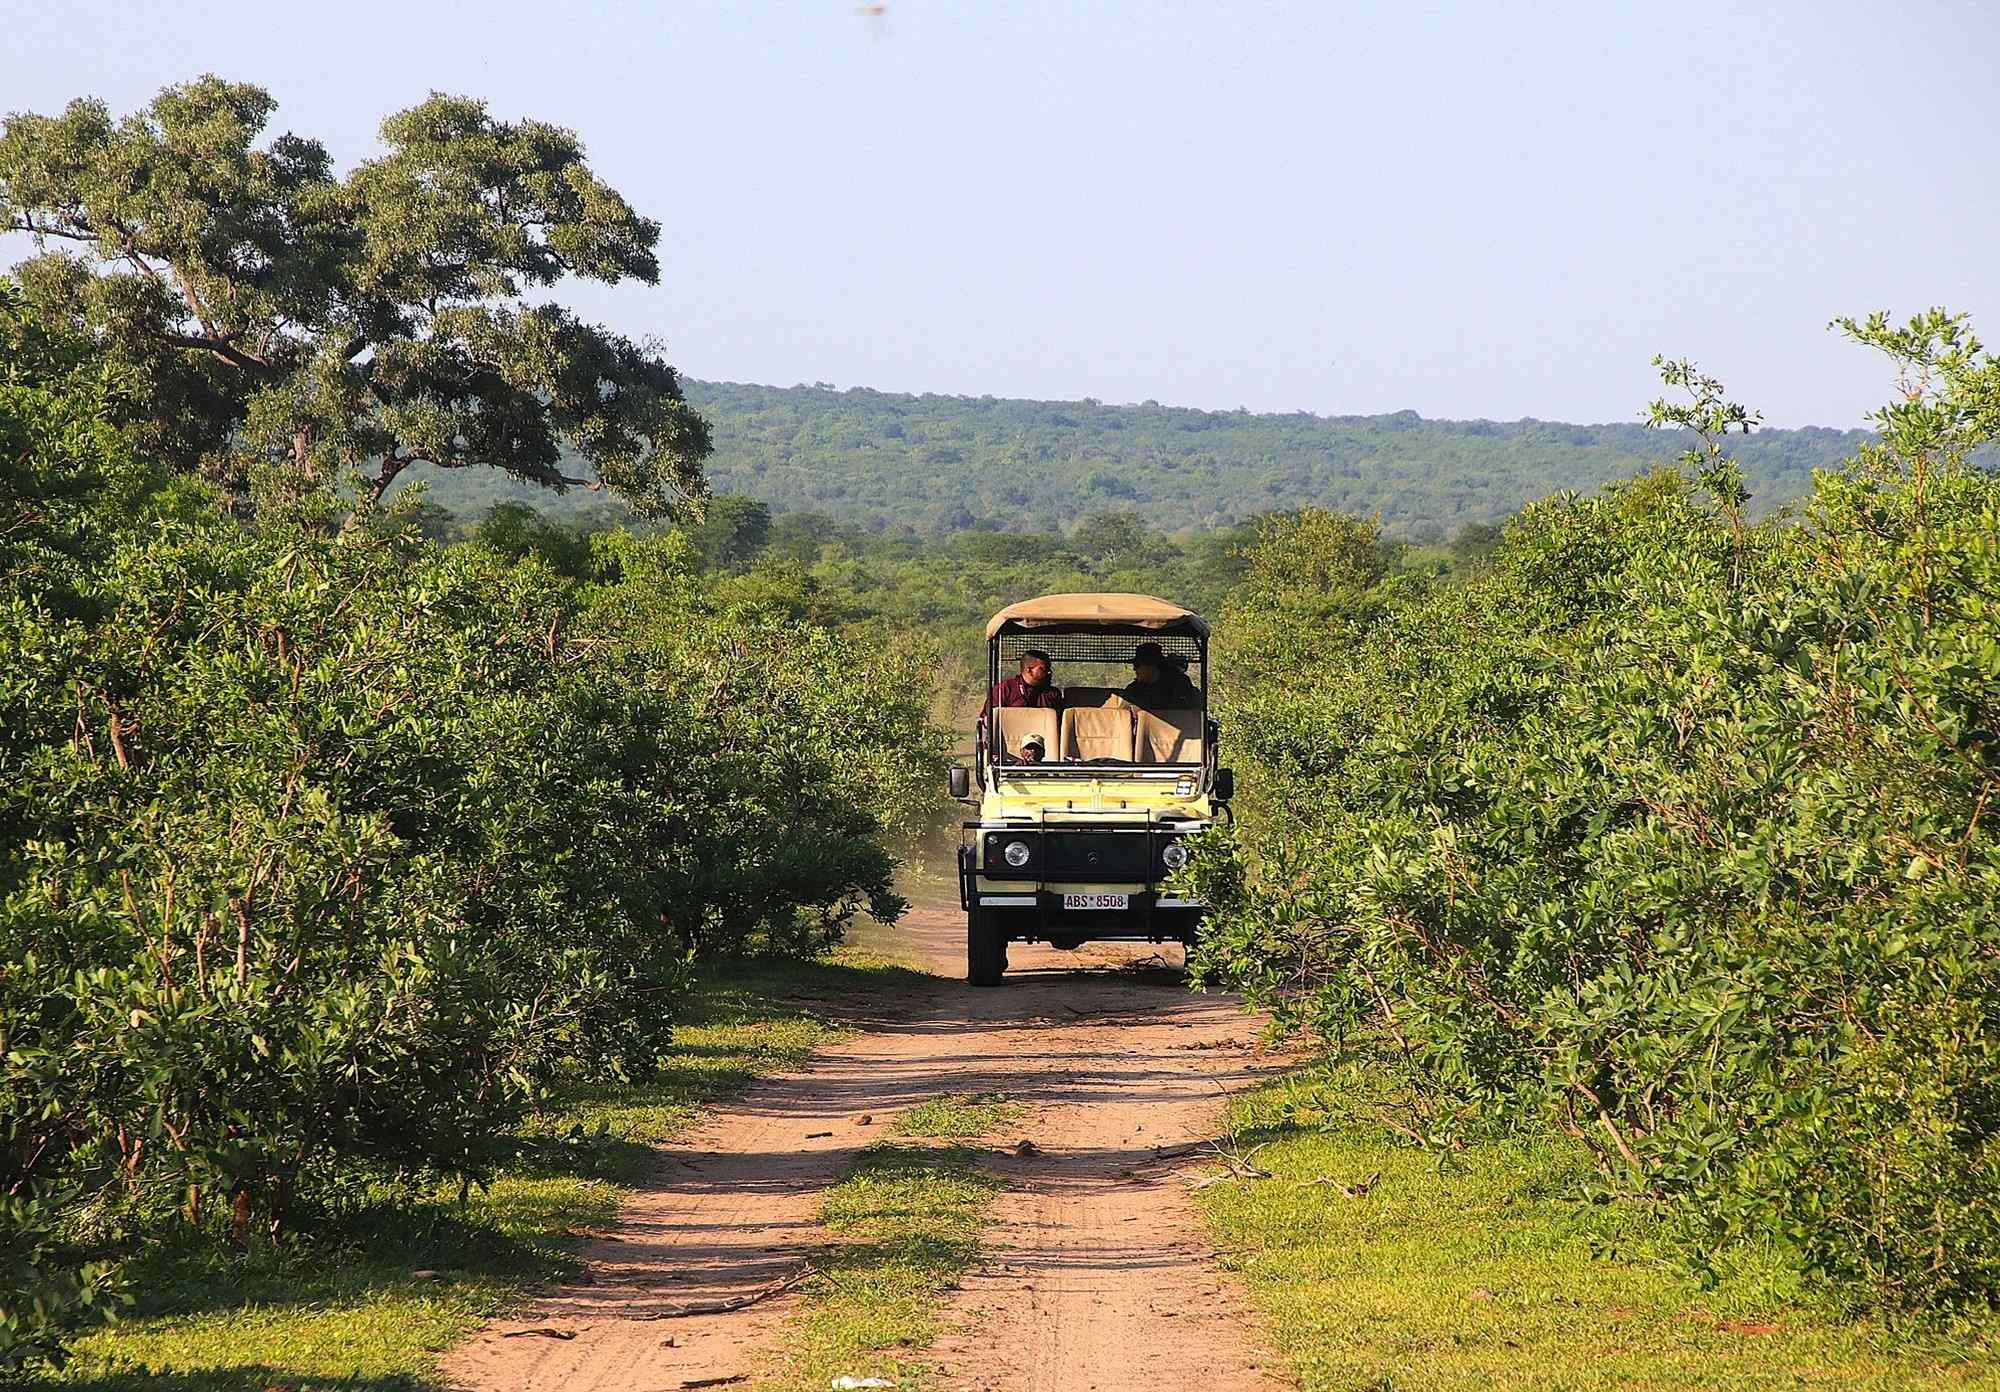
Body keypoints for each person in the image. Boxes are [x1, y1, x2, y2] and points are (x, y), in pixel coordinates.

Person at [1122, 641, 1200, 711]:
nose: (1134, 669)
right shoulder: (1133, 689)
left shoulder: (1179, 683)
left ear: (1151, 666)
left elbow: (1187, 713)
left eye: (1137, 665)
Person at [987, 649, 1062, 713]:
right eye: (1043, 669)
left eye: (1049, 669)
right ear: (1029, 670)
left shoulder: (1053, 694)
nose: (1049, 672)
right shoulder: (1004, 689)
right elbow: (987, 721)